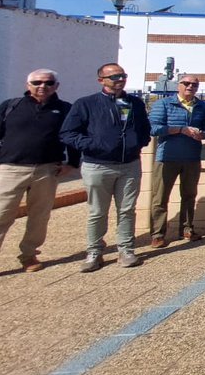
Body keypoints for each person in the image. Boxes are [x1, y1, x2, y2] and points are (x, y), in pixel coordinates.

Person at [0, 70, 79, 278]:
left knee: (39, 216)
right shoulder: (11, 106)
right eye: (36, 82)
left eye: (48, 82)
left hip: (47, 169)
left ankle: (29, 255)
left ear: (56, 85)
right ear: (28, 85)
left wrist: (72, 163)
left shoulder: (65, 109)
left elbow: (73, 137)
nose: (42, 86)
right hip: (11, 169)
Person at [60, 63, 152, 272]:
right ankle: (94, 252)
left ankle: (126, 250)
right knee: (97, 212)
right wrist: (94, 145)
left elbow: (144, 128)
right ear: (101, 80)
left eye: (123, 75)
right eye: (114, 77)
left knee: (127, 210)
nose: (120, 79)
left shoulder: (134, 103)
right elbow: (68, 133)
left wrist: (138, 142)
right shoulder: (86, 104)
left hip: (129, 165)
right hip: (98, 165)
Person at [147, 74, 205, 248]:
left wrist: (202, 134)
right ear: (179, 85)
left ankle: (187, 228)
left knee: (189, 195)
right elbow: (153, 128)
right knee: (160, 197)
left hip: (192, 157)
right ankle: (158, 234)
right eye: (186, 83)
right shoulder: (164, 104)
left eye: (194, 84)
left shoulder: (202, 106)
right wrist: (180, 129)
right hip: (167, 158)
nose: (190, 87)